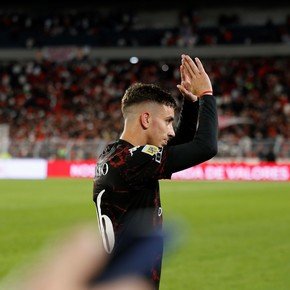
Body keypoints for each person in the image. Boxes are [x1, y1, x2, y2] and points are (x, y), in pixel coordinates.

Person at [93, 54, 218, 289]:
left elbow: (179, 145)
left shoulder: (115, 155)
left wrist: (190, 104)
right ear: (146, 119)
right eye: (168, 121)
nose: (171, 131)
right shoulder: (136, 161)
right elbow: (206, 147)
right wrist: (206, 97)